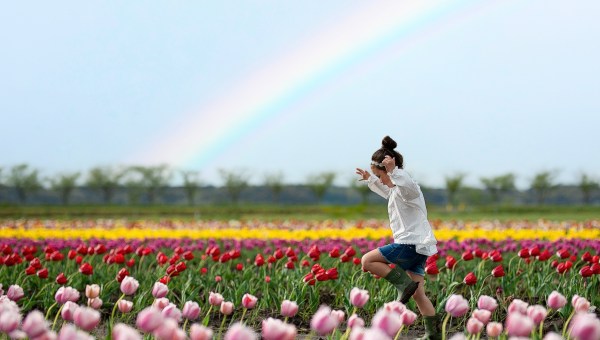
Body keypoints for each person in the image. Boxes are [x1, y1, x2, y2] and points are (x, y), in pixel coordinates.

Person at [356, 136, 440, 340]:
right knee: (419, 295)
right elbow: (387, 189)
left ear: (390, 171)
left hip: (408, 244)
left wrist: (394, 171)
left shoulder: (408, 188)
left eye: (380, 175)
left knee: (367, 260)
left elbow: (405, 184)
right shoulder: (396, 191)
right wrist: (371, 179)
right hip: (418, 249)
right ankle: (433, 335)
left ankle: (403, 285)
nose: (381, 179)